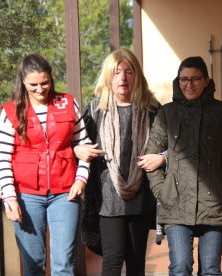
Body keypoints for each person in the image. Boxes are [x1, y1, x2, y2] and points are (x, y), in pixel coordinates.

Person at [145, 56, 222, 276]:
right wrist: (161, 192)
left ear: (206, 80)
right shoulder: (167, 113)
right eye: (184, 79)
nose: (189, 85)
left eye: (194, 79)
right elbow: (150, 156)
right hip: (175, 205)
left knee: (211, 269)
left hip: (214, 204)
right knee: (180, 267)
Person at [0, 54, 91, 276]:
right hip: (26, 196)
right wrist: (9, 198)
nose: (40, 89)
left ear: (51, 79)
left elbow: (83, 144)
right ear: (23, 82)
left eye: (45, 83)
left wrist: (81, 178)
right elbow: (2, 158)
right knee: (33, 265)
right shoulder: (10, 111)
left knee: (64, 264)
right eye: (34, 85)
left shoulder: (67, 103)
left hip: (65, 193)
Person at [74, 48, 164, 276]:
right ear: (108, 77)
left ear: (137, 77)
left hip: (141, 199)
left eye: (129, 72)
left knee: (136, 265)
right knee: (112, 262)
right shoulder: (95, 111)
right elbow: (75, 142)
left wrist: (162, 158)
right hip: (107, 201)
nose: (122, 78)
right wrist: (77, 149)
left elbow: (171, 147)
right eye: (116, 72)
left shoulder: (153, 111)